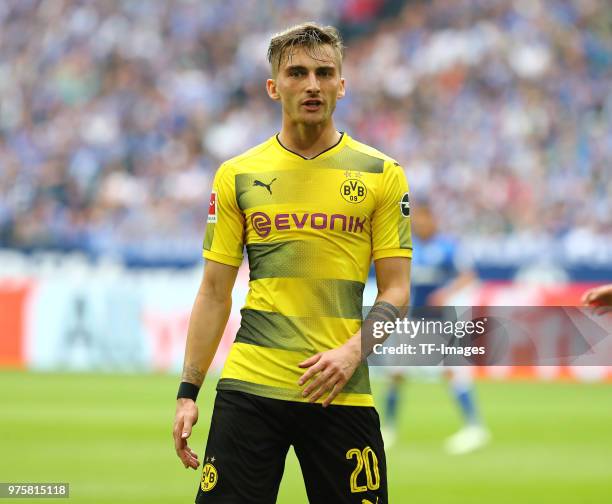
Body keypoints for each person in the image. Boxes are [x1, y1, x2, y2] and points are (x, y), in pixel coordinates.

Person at [172, 23, 412, 504]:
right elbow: (214, 292)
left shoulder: (383, 175)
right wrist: (188, 391)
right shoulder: (237, 175)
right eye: (297, 73)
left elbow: (396, 292)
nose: (312, 85)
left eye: (325, 73)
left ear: (342, 85)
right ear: (273, 86)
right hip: (251, 387)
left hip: (341, 389)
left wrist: (350, 353)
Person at [382, 202, 490, 454]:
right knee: (396, 373)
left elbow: (468, 275)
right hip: (413, 320)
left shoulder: (448, 246)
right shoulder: (409, 246)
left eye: (423, 219)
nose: (419, 223)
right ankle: (387, 429)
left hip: (441, 321)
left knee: (451, 371)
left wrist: (446, 292)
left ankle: (474, 427)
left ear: (433, 220)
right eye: (416, 220)